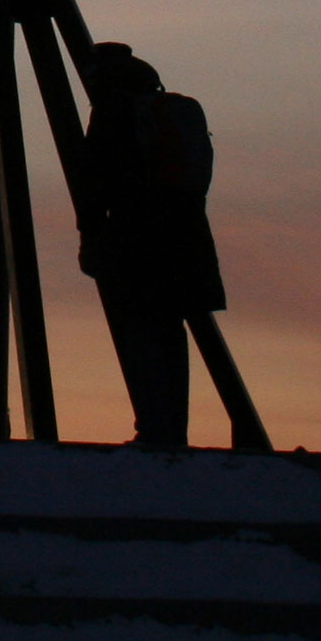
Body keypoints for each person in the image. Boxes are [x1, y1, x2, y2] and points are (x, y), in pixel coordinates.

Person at [77, 42, 225, 450]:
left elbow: (96, 180)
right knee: (172, 333)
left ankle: (154, 430)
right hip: (187, 233)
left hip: (138, 235)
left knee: (141, 332)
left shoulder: (113, 112)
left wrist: (91, 238)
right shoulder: (171, 109)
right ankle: (173, 431)